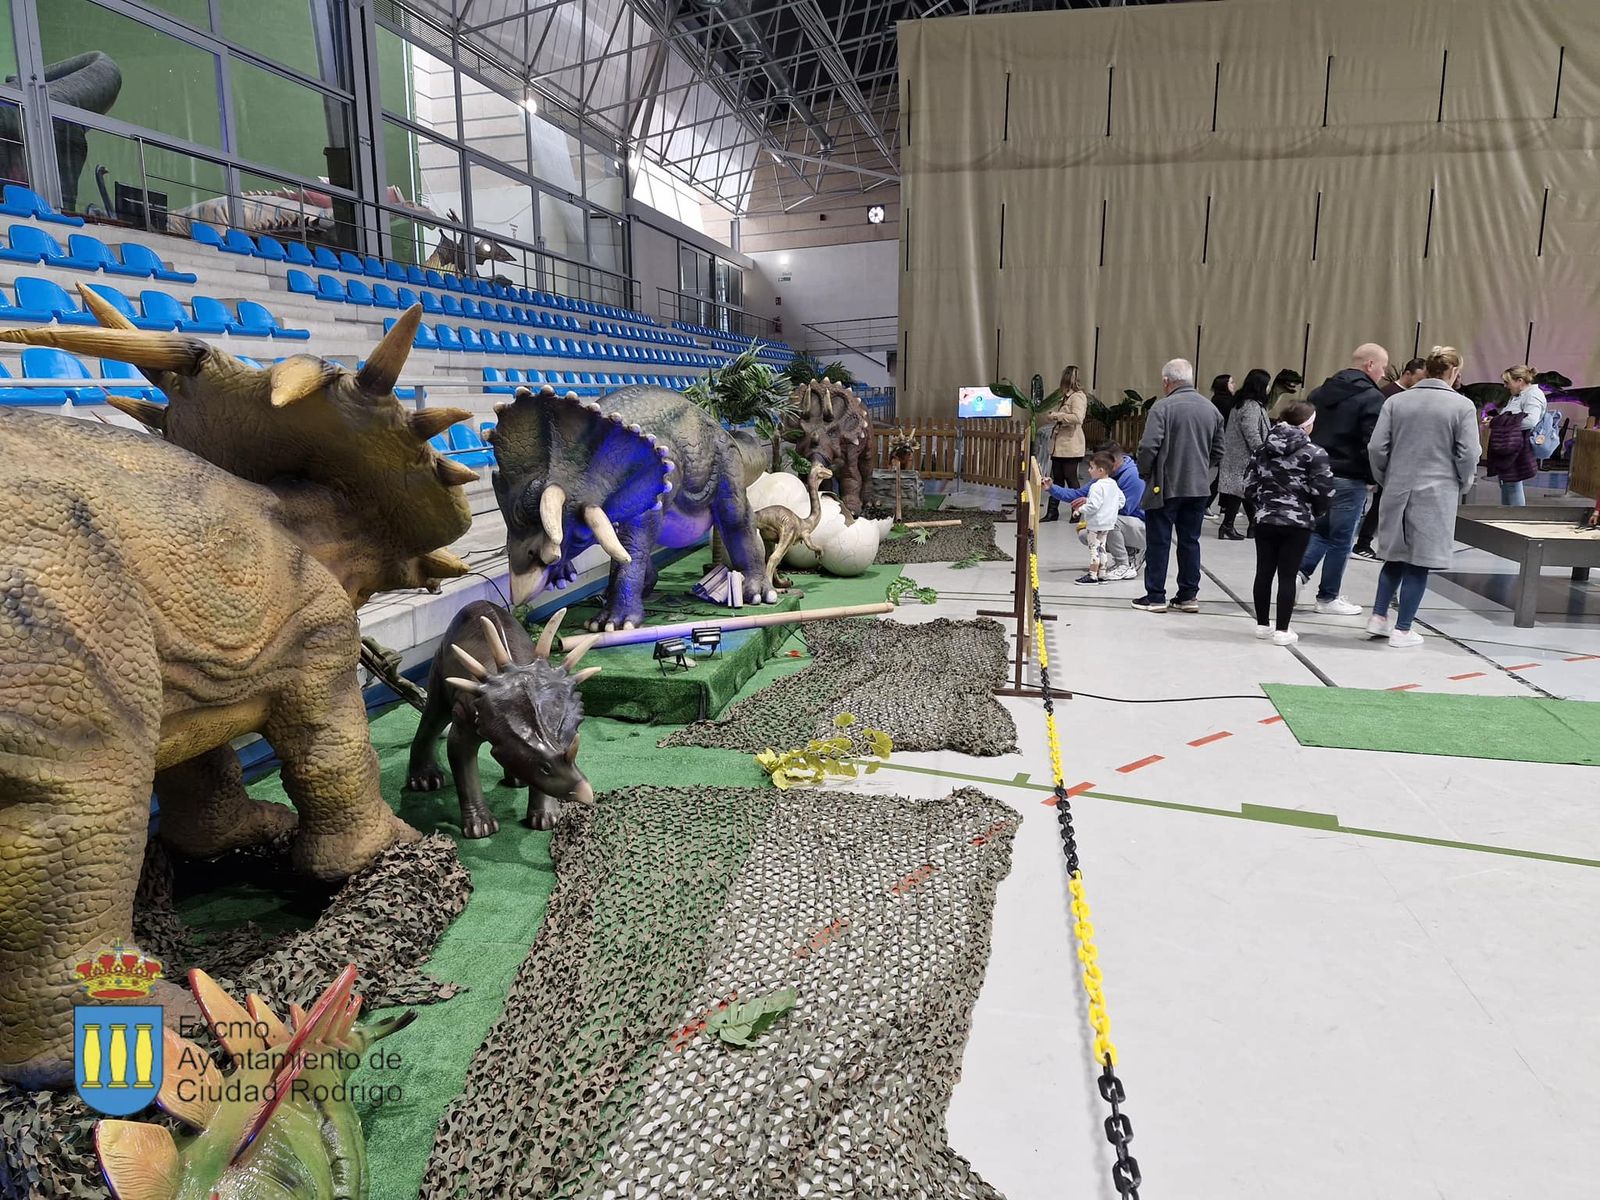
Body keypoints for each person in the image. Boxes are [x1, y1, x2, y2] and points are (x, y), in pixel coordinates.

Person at [1365, 346, 1479, 648]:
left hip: (1397, 488)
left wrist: (1385, 478)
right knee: (1420, 562)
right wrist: (1464, 482)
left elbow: (1376, 447)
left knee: (1394, 555)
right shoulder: (1462, 406)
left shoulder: (1397, 401)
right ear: (1453, 372)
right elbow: (1469, 453)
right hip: (1437, 492)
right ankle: (1403, 629)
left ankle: (1378, 617)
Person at [1296, 342, 1389, 616]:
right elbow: (1372, 442)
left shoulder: (1319, 392)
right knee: (1341, 539)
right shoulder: (1372, 398)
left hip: (1316, 473)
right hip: (1349, 477)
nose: (1383, 374)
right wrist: (1374, 476)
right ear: (1370, 365)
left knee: (1320, 531)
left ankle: (1297, 576)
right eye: (1382, 367)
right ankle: (1328, 597)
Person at [1132, 358, 1224, 613]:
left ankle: (1155, 596)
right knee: (1190, 541)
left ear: (1166, 382)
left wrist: (1146, 472)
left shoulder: (1163, 408)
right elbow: (1219, 450)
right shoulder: (1211, 410)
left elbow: (1149, 446)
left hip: (1166, 487)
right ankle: (1188, 596)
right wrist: (1201, 472)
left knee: (1159, 541)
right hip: (1198, 489)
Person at [1243, 400, 1335, 645]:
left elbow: (1249, 485)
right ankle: (1283, 630)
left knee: (1263, 571)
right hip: (1298, 522)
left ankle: (1262, 625)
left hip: (1265, 518)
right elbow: (1323, 491)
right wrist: (1315, 512)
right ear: (1307, 426)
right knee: (1288, 574)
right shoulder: (1315, 453)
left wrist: (1262, 506)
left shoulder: (1262, 449)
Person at [1354, 357, 1427, 560]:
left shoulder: (1407, 397)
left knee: (1384, 504)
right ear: (1408, 373)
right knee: (1380, 503)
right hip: (1388, 458)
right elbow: (1377, 436)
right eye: (1419, 378)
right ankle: (1363, 541)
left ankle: (1372, 542)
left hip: (1399, 459)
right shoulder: (1387, 396)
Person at [1054, 441, 1147, 579]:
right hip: (1123, 523)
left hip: (1140, 527)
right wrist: (1051, 488)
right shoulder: (1104, 476)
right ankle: (1124, 554)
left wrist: (1092, 504)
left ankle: (1125, 562)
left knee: (1109, 521)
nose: (1089, 470)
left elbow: (1126, 509)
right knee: (1087, 534)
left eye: (1093, 467)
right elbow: (1077, 495)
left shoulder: (1133, 476)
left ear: (1108, 464)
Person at [1217, 368, 1272, 540]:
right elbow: (1251, 432)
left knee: (1244, 491)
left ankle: (1250, 526)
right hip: (1243, 455)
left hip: (1236, 454)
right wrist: (1262, 451)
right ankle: (1229, 526)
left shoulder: (1241, 402)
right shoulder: (1251, 406)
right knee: (1241, 491)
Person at [1485, 365, 1547, 506]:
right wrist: (1495, 421)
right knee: (1507, 483)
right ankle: (1509, 517)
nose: (1505, 386)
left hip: (1517, 448)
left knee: (1512, 483)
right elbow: (1511, 416)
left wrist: (1500, 424)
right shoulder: (1519, 395)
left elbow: (1531, 421)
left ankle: (1515, 519)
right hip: (1511, 445)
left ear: (1520, 381)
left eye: (1507, 382)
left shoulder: (1533, 395)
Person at [1042, 365, 1089, 521]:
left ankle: (1077, 510)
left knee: (1071, 478)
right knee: (1058, 478)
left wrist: (1057, 416)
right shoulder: (1066, 397)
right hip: (1059, 445)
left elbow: (1078, 418)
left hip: (1071, 444)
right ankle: (1052, 512)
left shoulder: (1078, 397)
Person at [1073, 451, 1126, 584]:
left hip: (1095, 524)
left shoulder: (1096, 486)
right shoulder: (1113, 483)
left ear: (1100, 470)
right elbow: (1122, 500)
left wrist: (1080, 510)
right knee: (1102, 547)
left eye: (1091, 468)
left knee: (1094, 549)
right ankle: (1102, 574)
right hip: (1108, 523)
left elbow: (1093, 506)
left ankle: (1092, 575)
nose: (1089, 470)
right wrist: (1111, 510)